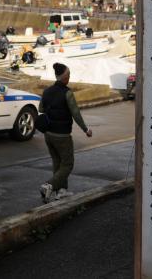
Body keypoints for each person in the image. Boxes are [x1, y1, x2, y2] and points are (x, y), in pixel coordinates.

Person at [38, 63, 92, 203]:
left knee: (58, 162)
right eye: (69, 75)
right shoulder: (67, 93)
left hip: (48, 134)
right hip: (62, 135)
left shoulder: (47, 91)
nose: (69, 77)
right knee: (68, 163)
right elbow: (75, 113)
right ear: (65, 77)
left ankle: (61, 191)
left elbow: (41, 108)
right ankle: (49, 185)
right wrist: (86, 129)